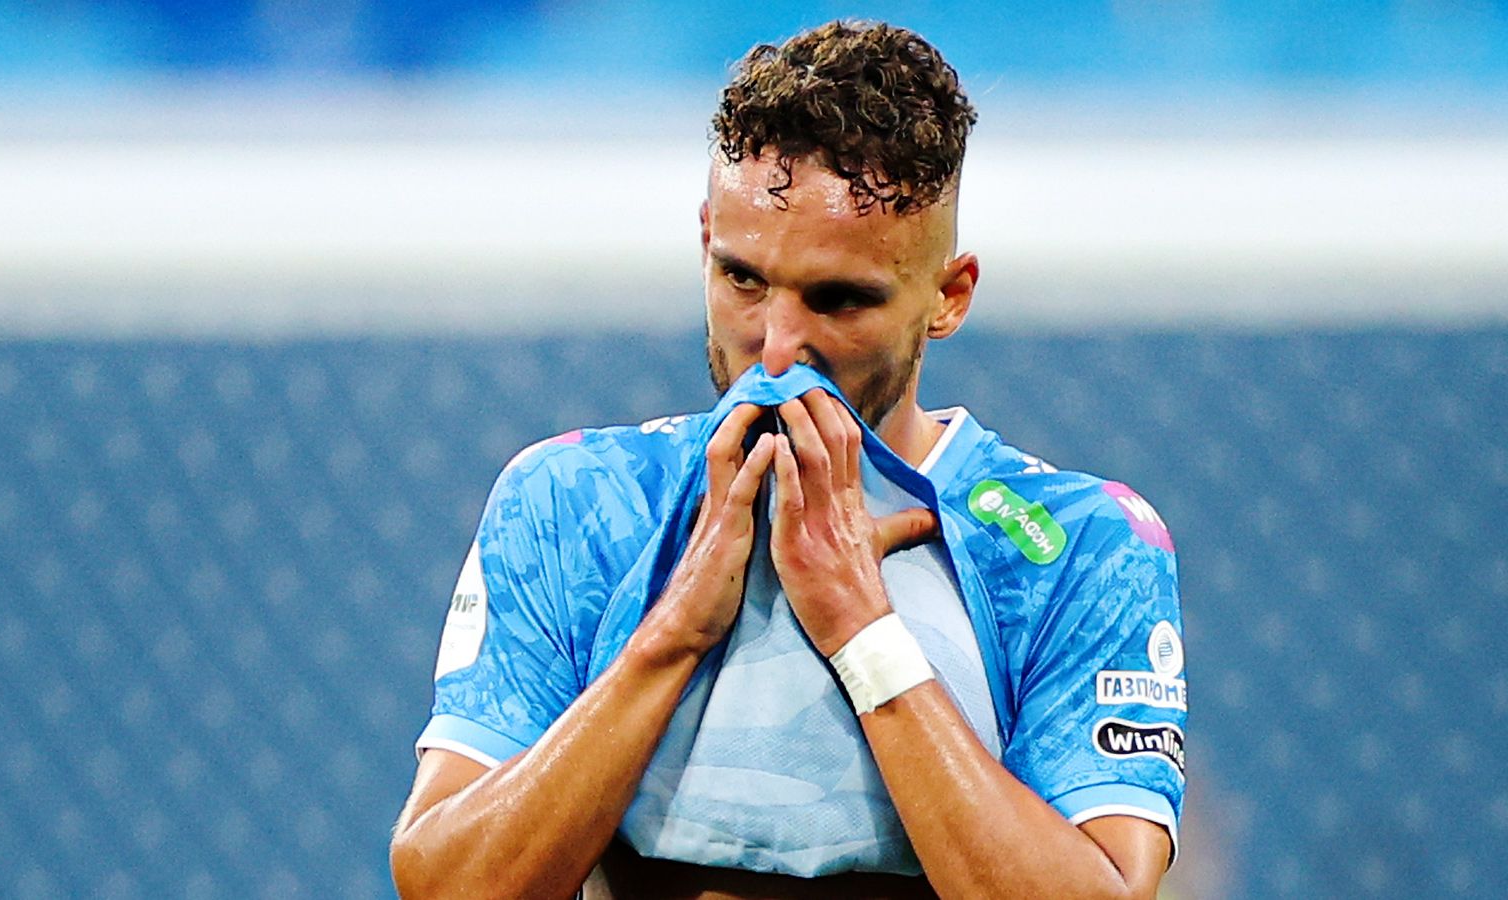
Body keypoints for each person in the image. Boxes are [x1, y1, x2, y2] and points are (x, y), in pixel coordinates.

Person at [391, 20, 1185, 899]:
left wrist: (864, 633)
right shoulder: (574, 502)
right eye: (743, 279)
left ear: (948, 297)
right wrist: (672, 633)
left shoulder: (1078, 545)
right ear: (705, 242)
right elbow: (448, 883)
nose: (776, 351)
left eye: (838, 299)